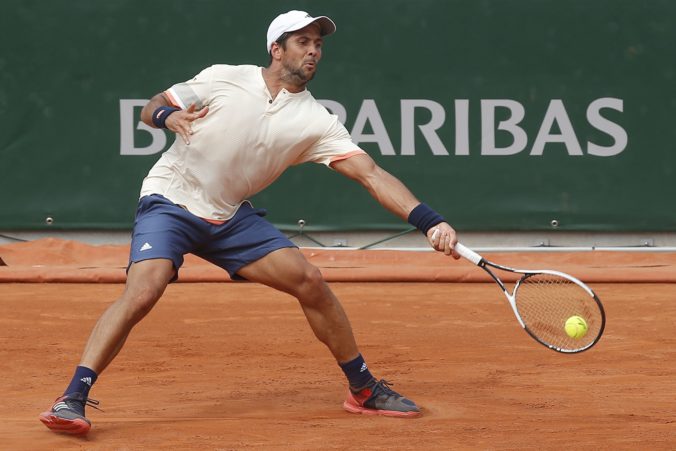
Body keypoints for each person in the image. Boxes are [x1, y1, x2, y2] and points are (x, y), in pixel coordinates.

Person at [39, 9, 459, 435]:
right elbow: (152, 108)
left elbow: (371, 174)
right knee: (144, 290)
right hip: (171, 199)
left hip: (229, 216)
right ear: (276, 49)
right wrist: (170, 117)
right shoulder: (225, 77)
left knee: (310, 281)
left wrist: (429, 222)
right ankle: (72, 397)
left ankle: (363, 389)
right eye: (303, 42)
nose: (313, 50)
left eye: (318, 44)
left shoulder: (316, 121)